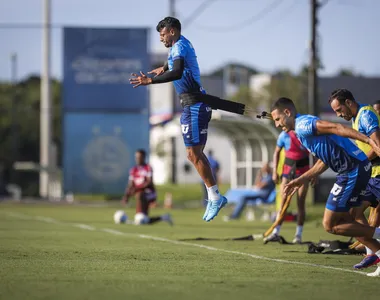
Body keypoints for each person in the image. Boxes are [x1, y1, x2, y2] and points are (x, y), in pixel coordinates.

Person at [129, 17, 227, 222]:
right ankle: (214, 196)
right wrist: (163, 68)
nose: (161, 38)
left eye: (163, 34)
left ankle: (215, 197)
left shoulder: (180, 46)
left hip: (196, 104)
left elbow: (179, 71)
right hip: (189, 105)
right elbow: (174, 62)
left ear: (172, 31)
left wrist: (151, 80)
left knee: (194, 153)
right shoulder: (179, 45)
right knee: (193, 155)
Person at [270, 97, 380, 275]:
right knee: (348, 221)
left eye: (277, 119)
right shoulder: (301, 130)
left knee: (331, 225)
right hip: (354, 170)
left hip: (352, 170)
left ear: (287, 113)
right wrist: (301, 179)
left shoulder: (303, 125)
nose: (276, 124)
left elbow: (338, 127)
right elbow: (324, 161)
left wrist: (368, 141)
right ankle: (376, 253)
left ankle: (377, 238)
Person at [329, 89, 380, 269]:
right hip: (373, 175)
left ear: (349, 102)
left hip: (378, 174)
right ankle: (372, 254)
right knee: (352, 214)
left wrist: (359, 162)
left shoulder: (365, 115)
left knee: (351, 215)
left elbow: (377, 146)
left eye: (339, 109)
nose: (338, 114)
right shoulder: (355, 117)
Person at [265, 130, 311, 244]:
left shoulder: (304, 132)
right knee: (283, 203)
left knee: (301, 203)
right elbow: (276, 152)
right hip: (288, 172)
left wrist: (314, 174)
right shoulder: (284, 135)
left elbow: (313, 152)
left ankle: (298, 235)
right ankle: (275, 232)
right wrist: (275, 171)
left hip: (303, 172)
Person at [121, 149, 173, 225]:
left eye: (140, 157)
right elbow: (130, 185)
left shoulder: (148, 168)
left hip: (150, 193)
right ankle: (164, 217)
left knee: (140, 195)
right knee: (144, 220)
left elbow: (149, 182)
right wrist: (126, 196)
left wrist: (136, 189)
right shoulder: (133, 170)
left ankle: (138, 217)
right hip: (140, 194)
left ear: (144, 157)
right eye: (137, 157)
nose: (138, 159)